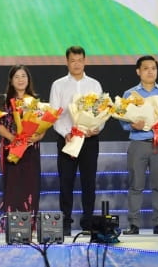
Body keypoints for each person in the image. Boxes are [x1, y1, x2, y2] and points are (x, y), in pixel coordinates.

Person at [121, 55, 158, 235]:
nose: (150, 72)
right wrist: (132, 125)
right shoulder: (130, 94)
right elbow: (122, 119)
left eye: (153, 68)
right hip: (138, 143)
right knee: (136, 185)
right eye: (146, 68)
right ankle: (133, 224)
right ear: (138, 71)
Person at [49, 46, 103, 235]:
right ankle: (65, 221)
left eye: (80, 60)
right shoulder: (58, 85)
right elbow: (54, 115)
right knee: (66, 181)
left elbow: (101, 111)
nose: (77, 64)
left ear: (85, 61)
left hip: (89, 140)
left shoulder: (94, 85)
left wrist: (96, 128)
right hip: (68, 139)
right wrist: (66, 133)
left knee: (89, 182)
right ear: (67, 62)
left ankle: (87, 221)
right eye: (73, 61)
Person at [0, 65, 44, 230]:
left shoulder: (35, 102)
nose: (20, 80)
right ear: (11, 80)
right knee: (13, 186)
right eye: (17, 77)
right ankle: (11, 226)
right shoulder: (4, 102)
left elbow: (43, 125)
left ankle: (30, 225)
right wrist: (13, 138)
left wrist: (37, 136)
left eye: (23, 76)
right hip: (11, 148)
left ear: (28, 80)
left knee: (31, 186)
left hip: (30, 149)